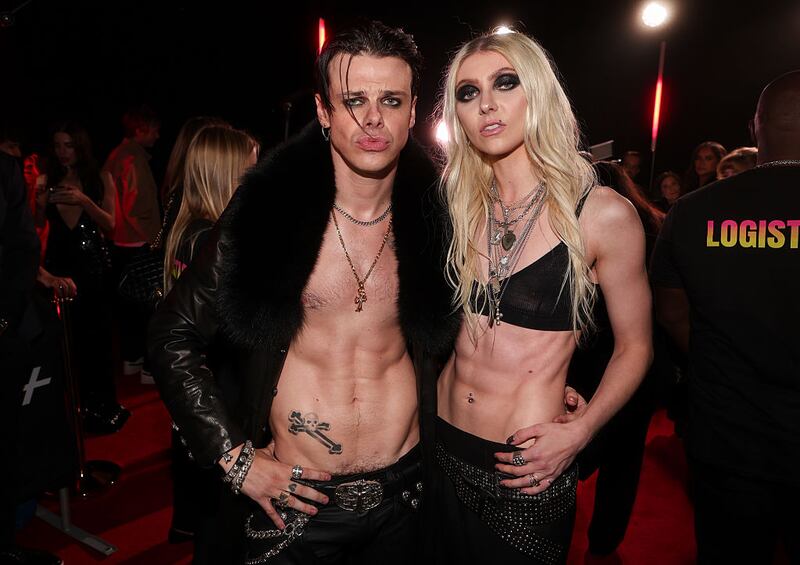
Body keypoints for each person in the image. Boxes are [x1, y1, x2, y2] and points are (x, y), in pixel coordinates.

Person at [148, 21, 461, 564]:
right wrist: (233, 458)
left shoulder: (440, 221)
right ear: (323, 111)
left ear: (413, 112)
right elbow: (171, 332)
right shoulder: (269, 213)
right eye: (354, 100)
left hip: (407, 496)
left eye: (391, 100)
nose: (373, 118)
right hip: (295, 503)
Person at [434, 29, 652, 564]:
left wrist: (583, 430)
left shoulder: (601, 214)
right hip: (438, 446)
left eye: (505, 83)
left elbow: (636, 347)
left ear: (538, 91)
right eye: (468, 92)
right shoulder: (455, 205)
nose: (486, 103)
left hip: (526, 466)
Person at [651, 70, 800, 564]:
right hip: (729, 433)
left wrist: (720, 359)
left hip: (727, 436)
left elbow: (671, 313)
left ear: (755, 128)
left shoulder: (692, 211)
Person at [161, 123, 257, 548]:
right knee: (223, 526)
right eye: (250, 171)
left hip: (202, 391)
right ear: (227, 176)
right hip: (220, 392)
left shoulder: (185, 226)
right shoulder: (209, 239)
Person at [33, 121, 127, 433]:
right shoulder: (46, 180)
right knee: (67, 341)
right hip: (59, 268)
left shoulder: (100, 178)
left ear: (80, 147)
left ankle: (101, 406)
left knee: (97, 338)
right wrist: (39, 205)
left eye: (68, 145)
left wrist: (83, 200)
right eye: (57, 145)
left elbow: (111, 224)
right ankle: (73, 407)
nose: (62, 152)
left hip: (93, 267)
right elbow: (36, 225)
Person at [103, 104, 161, 379]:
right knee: (148, 309)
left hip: (122, 243)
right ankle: (148, 368)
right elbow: (135, 208)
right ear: (141, 129)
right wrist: (156, 240)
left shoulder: (118, 154)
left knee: (129, 310)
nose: (158, 135)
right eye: (154, 130)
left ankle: (132, 358)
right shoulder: (131, 158)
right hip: (137, 244)